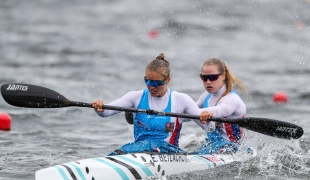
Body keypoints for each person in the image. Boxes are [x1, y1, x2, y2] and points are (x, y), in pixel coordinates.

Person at [92, 53, 211, 156]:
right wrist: (100, 107)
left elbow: (208, 127)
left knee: (152, 144)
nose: (151, 86)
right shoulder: (135, 97)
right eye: (147, 81)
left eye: (156, 82)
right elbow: (106, 112)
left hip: (170, 154)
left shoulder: (181, 100)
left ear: (168, 80)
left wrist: (206, 117)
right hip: (139, 151)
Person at [191, 58, 249, 155]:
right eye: (204, 78)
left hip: (232, 150)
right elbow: (189, 111)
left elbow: (218, 111)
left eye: (213, 77)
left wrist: (200, 112)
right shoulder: (205, 96)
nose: (208, 82)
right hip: (210, 146)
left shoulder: (231, 99)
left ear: (223, 76)